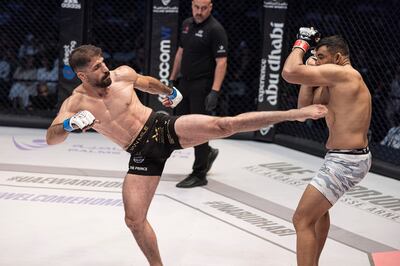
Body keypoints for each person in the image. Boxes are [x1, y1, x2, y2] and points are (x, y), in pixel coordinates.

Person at [46, 44, 327, 266]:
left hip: (160, 126)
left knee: (224, 125)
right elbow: (51, 137)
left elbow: (146, 83)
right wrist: (69, 125)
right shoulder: (76, 102)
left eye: (104, 62)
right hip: (141, 151)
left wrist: (169, 92)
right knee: (133, 220)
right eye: (97, 67)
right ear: (82, 75)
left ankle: (293, 114)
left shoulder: (121, 74)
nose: (105, 69)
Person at [282, 29, 372, 266]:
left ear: (339, 57)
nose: (318, 61)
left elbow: (290, 72)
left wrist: (301, 44)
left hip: (347, 160)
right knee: (318, 214)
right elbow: (304, 112)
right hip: (343, 157)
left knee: (301, 219)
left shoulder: (344, 74)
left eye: (321, 56)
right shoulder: (333, 81)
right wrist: (309, 74)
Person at [169, 0, 228, 188]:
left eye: (203, 8)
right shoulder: (186, 24)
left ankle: (199, 173)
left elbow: (222, 62)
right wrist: (172, 79)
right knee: (182, 124)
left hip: (202, 85)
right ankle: (207, 152)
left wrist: (215, 91)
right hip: (184, 82)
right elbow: (180, 52)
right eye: (196, 7)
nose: (199, 12)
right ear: (192, 6)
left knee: (199, 129)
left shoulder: (215, 29)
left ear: (211, 7)